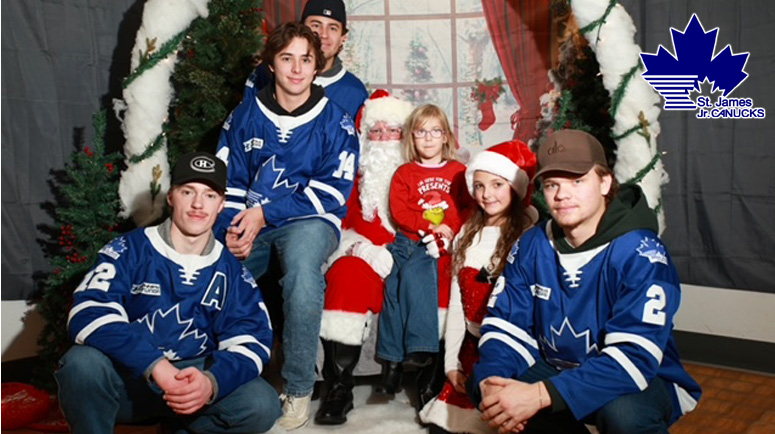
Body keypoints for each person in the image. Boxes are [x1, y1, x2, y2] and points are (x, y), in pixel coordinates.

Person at [469, 129, 702, 433]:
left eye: (577, 181)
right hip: (559, 363)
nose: (562, 195)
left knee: (623, 414)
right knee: (493, 391)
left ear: (605, 183)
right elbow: (506, 325)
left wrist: (541, 394)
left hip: (640, 374)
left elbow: (635, 356)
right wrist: (492, 380)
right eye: (552, 184)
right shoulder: (532, 244)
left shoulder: (640, 252)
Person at [56, 152, 280, 434]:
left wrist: (210, 382)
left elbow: (253, 342)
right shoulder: (130, 249)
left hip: (193, 382)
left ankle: (180, 427)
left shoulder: (233, 273)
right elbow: (87, 311)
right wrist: (156, 365)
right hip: (131, 379)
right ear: (172, 196)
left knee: (262, 404)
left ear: (222, 204)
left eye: (210, 195)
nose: (198, 204)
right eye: (188, 192)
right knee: (81, 365)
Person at [214, 22, 359, 430]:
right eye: (287, 58)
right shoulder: (244, 115)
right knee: (218, 265)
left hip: (310, 219)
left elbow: (333, 192)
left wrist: (264, 214)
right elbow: (230, 183)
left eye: (306, 59)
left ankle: (298, 388)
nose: (296, 69)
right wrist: (231, 229)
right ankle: (216, 373)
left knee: (301, 276)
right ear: (271, 64)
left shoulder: (336, 120)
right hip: (251, 217)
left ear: (317, 66)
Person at [419, 141, 538, 434]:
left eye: (497, 184)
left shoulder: (529, 236)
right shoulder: (467, 235)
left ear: (515, 186)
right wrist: (451, 364)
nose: (487, 195)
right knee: (443, 426)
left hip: (513, 348)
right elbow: (459, 305)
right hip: (473, 348)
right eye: (480, 186)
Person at [313, 89, 414, 425]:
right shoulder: (351, 176)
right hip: (363, 253)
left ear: (405, 134)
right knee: (346, 275)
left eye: (392, 130)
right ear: (365, 137)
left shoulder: (420, 170)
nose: (384, 139)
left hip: (410, 253)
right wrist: (359, 247)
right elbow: (332, 223)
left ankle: (434, 382)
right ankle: (339, 388)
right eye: (375, 131)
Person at [376, 104, 470, 396]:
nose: (428, 138)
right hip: (409, 239)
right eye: (421, 132)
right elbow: (399, 212)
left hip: (443, 241)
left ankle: (420, 347)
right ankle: (391, 362)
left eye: (435, 131)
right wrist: (428, 226)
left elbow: (466, 207)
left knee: (417, 270)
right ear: (412, 138)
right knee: (392, 288)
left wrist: (448, 229)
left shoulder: (458, 171)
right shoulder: (405, 173)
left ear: (446, 137)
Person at [244, 0, 368, 120]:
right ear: (302, 28)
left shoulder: (355, 92)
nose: (323, 34)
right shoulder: (263, 75)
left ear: (343, 37)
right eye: (316, 25)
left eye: (332, 28)